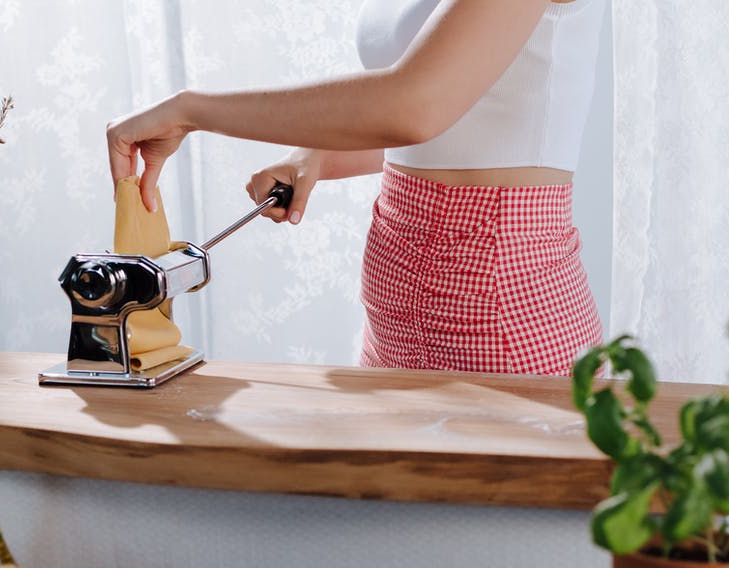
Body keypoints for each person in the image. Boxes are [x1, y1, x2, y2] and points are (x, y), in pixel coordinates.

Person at [107, 0, 607, 375]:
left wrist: (191, 110)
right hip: (392, 311)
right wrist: (317, 156)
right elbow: (460, 114)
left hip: (504, 309)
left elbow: (415, 105)